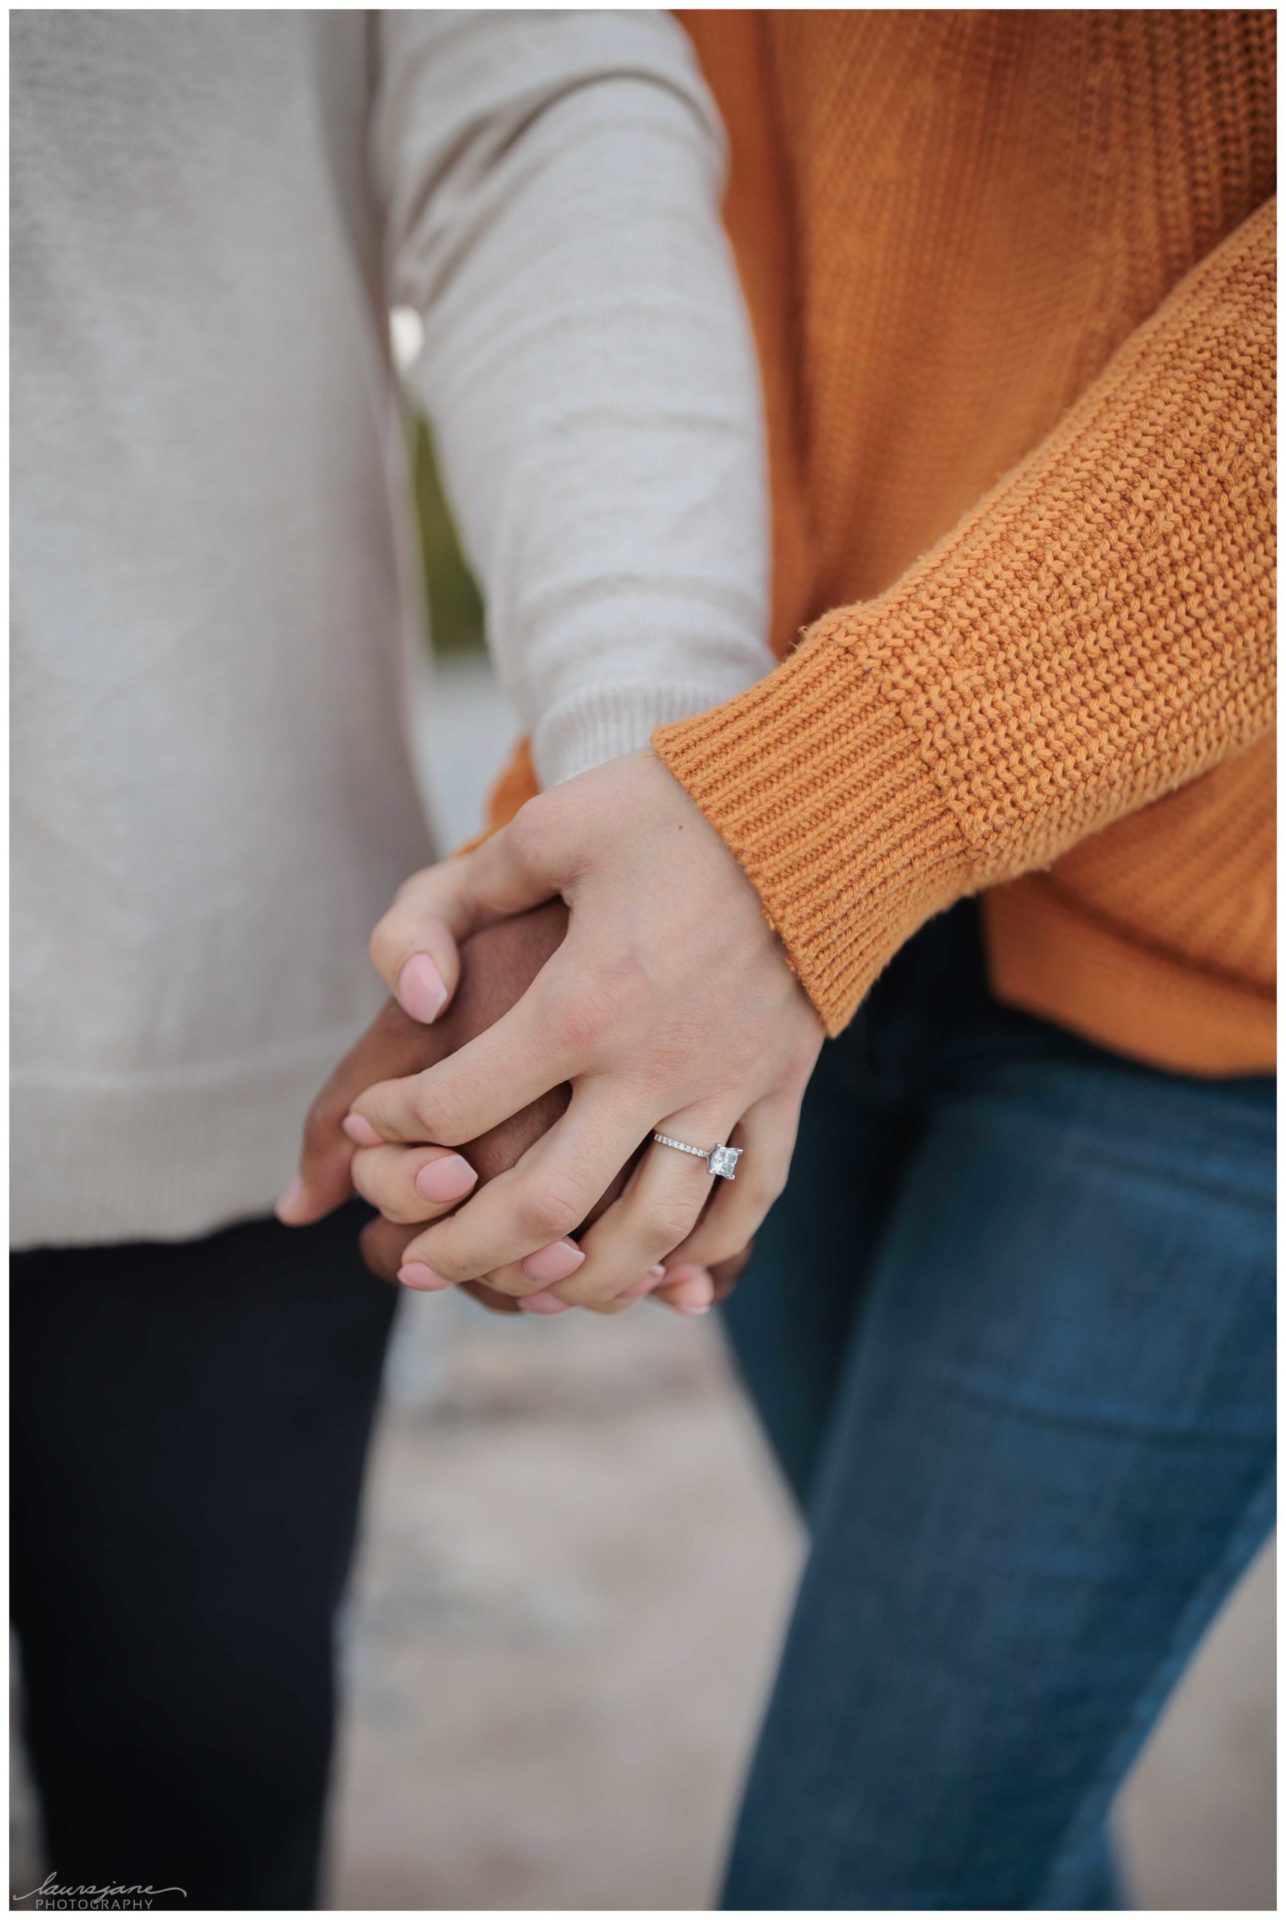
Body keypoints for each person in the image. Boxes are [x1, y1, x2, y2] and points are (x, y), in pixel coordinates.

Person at [293, 11, 1276, 1907]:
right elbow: (642, 213)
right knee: (971, 1811)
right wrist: (588, 839)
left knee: (870, 1862)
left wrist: (797, 824)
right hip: (792, 927)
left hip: (1219, 968)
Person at [10, 12, 774, 1906]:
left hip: (208, 1058)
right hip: (231, 1052)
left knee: (196, 1831)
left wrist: (655, 766)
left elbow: (541, 125)